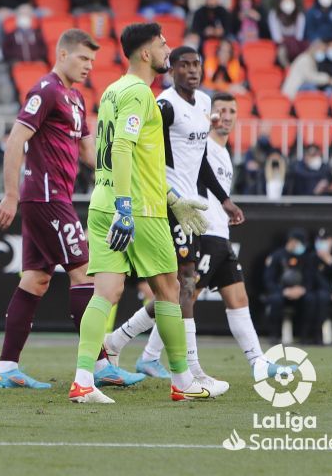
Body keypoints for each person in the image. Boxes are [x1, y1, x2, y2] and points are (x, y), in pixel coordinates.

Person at [0, 29, 144, 392]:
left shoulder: (76, 98)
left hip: (56, 196)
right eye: (82, 58)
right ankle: (101, 365)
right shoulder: (46, 90)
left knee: (36, 279)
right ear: (62, 54)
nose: (89, 66)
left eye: (93, 60)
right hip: (45, 197)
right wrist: (10, 194)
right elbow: (16, 139)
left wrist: (129, 177)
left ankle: (7, 367)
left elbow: (90, 155)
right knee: (85, 274)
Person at [68, 23, 214, 404]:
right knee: (169, 288)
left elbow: (138, 160)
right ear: (145, 53)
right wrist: (127, 209)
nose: (168, 48)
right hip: (136, 210)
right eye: (162, 43)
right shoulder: (138, 93)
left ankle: (83, 380)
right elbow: (121, 149)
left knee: (108, 291)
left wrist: (172, 198)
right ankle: (182, 379)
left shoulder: (113, 90)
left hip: (103, 203)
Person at [102, 47, 242, 391]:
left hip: (191, 206)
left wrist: (223, 199)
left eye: (197, 64)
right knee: (185, 284)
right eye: (184, 65)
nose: (192, 70)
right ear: (172, 70)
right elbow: (143, 152)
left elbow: (200, 158)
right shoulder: (163, 106)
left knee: (175, 287)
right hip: (165, 204)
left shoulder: (205, 104)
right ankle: (191, 371)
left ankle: (117, 342)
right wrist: (164, 196)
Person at [191, 93, 296, 374]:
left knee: (238, 299)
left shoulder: (224, 152)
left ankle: (258, 362)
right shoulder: (201, 144)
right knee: (182, 298)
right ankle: (130, 345)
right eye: (221, 110)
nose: (226, 116)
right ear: (210, 115)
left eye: (232, 111)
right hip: (203, 231)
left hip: (220, 234)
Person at [263, 229, 329, 344]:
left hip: (301, 292)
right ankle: (274, 335)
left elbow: (310, 278)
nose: (302, 247)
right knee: (275, 299)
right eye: (300, 243)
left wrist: (302, 289)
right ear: (292, 241)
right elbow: (269, 280)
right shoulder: (277, 256)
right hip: (282, 292)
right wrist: (284, 291)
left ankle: (305, 336)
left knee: (312, 299)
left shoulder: (306, 257)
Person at [269, 0, 307, 68]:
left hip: (296, 44)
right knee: (281, 51)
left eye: (290, 0)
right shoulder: (274, 14)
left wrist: (291, 43)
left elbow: (299, 36)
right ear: (280, 2)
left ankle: (298, 68)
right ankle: (288, 69)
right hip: (281, 44)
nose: (288, 3)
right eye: (285, 0)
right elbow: (277, 37)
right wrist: (286, 42)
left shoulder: (300, 15)